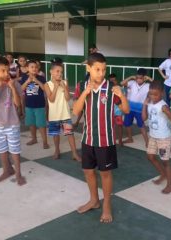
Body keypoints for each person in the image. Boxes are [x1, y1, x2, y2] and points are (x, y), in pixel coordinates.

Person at [73, 52, 129, 223]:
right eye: (97, 69)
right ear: (88, 68)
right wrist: (85, 93)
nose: (101, 73)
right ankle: (94, 200)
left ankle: (106, 206)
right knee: (88, 171)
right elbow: (76, 111)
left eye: (103, 69)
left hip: (106, 140)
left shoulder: (112, 89)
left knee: (105, 174)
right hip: (88, 139)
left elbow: (126, 110)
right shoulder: (82, 85)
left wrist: (122, 95)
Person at [0, 56, 26, 186]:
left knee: (15, 150)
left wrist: (12, 87)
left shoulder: (14, 83)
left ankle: (18, 173)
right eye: (2, 70)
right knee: (1, 149)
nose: (6, 73)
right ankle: (7, 170)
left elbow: (18, 104)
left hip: (12, 122)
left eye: (7, 70)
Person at [142, 81, 171, 194]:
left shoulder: (163, 105)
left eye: (155, 94)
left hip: (163, 138)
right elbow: (144, 118)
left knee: (165, 161)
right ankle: (163, 174)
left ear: (162, 93)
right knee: (150, 156)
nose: (153, 97)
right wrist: (144, 104)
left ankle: (170, 185)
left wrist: (168, 112)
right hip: (153, 136)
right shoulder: (150, 103)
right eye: (151, 94)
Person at [44, 58, 81, 162]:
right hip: (54, 115)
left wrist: (64, 87)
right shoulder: (47, 84)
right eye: (57, 71)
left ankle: (74, 153)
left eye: (61, 72)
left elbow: (68, 98)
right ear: (51, 72)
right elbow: (51, 99)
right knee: (56, 134)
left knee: (69, 134)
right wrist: (56, 87)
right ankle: (57, 150)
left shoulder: (64, 82)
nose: (59, 74)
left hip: (65, 114)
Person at [20, 60, 49, 148]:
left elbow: (45, 89)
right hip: (29, 105)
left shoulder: (41, 78)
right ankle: (34, 138)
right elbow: (21, 89)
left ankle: (45, 141)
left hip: (40, 105)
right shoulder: (24, 77)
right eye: (32, 67)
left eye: (36, 67)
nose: (34, 69)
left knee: (41, 124)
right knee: (31, 123)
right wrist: (27, 81)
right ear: (27, 68)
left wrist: (36, 80)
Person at [121, 68, 152, 146]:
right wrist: (131, 77)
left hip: (140, 110)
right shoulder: (132, 83)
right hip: (129, 109)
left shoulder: (148, 85)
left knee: (141, 125)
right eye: (137, 77)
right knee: (127, 124)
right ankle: (130, 138)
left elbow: (156, 85)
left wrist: (150, 79)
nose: (138, 80)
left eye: (141, 78)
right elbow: (122, 83)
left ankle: (147, 142)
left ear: (145, 78)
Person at [108, 73, 125, 146]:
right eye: (111, 81)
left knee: (119, 125)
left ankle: (120, 140)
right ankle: (111, 139)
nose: (113, 82)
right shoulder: (107, 89)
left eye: (114, 80)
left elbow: (122, 99)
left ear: (116, 81)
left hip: (118, 111)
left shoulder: (120, 88)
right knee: (110, 126)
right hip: (109, 111)